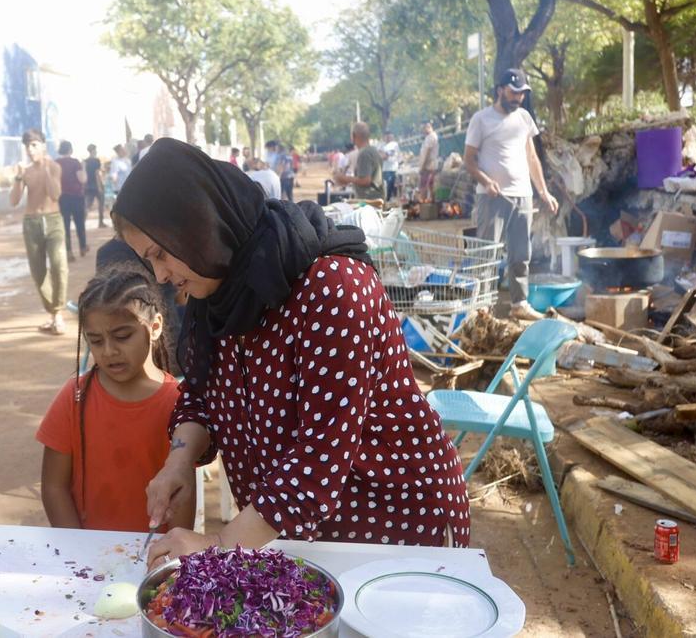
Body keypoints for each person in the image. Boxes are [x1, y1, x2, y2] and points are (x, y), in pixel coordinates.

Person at [111, 139, 470, 568]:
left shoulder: (333, 289)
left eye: (161, 254)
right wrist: (180, 459)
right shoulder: (217, 290)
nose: (161, 275)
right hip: (290, 535)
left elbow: (317, 459)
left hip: (390, 527)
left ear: (197, 224)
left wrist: (220, 544)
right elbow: (203, 390)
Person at [36, 263, 192, 533]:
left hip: (155, 559)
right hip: (86, 560)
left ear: (154, 327)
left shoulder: (180, 406)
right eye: (95, 341)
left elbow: (183, 492)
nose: (108, 351)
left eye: (122, 336)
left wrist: (173, 556)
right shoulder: (74, 398)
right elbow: (53, 486)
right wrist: (78, 547)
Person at [464, 68, 559, 322]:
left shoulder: (525, 118)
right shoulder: (481, 119)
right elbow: (469, 160)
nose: (518, 98)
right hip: (492, 197)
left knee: (520, 254)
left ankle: (519, 303)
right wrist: (486, 181)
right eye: (514, 92)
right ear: (500, 90)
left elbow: (531, 158)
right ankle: (481, 308)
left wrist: (544, 192)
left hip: (522, 195)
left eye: (522, 93)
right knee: (487, 254)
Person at [12, 129, 68, 335]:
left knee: (59, 264)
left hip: (53, 221)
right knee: (38, 272)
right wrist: (18, 177)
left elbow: (55, 194)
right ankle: (53, 313)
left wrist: (45, 171)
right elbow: (14, 200)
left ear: (43, 145)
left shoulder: (54, 167)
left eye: (34, 145)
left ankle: (59, 312)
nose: (30, 149)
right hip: (31, 222)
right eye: (27, 145)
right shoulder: (24, 171)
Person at [56, 141, 88, 262]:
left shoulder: (56, 163)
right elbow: (82, 179)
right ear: (70, 149)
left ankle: (68, 251)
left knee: (65, 225)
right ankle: (83, 247)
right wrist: (83, 167)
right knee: (80, 223)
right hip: (76, 196)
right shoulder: (75, 163)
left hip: (62, 197)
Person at [333, 122, 384, 200]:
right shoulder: (373, 150)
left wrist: (345, 178)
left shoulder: (364, 153)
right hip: (376, 199)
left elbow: (365, 180)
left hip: (369, 201)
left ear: (353, 135)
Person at [83, 144, 106, 228]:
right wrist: (100, 186)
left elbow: (84, 174)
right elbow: (97, 173)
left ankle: (83, 222)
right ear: (93, 150)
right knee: (101, 204)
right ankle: (101, 222)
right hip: (96, 185)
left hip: (88, 186)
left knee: (87, 205)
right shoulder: (96, 161)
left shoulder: (85, 161)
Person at [416, 122, 440, 203]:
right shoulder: (429, 137)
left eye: (423, 129)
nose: (422, 131)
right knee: (430, 185)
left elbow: (428, 153)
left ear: (428, 127)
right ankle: (431, 203)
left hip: (428, 166)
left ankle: (423, 203)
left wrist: (423, 166)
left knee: (424, 185)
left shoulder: (431, 137)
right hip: (429, 165)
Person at [381, 132, 401, 201]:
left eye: (389, 136)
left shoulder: (394, 145)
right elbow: (380, 155)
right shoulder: (381, 145)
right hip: (384, 169)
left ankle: (389, 200)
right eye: (386, 136)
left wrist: (384, 155)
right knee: (385, 187)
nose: (387, 138)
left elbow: (386, 156)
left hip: (392, 169)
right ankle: (386, 201)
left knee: (390, 186)